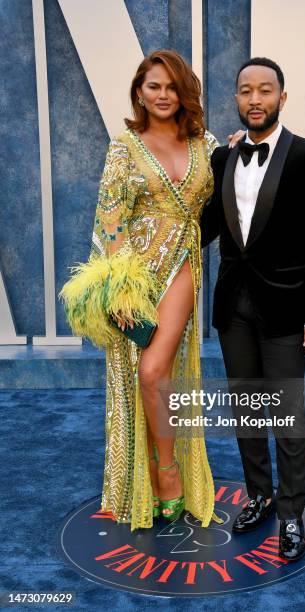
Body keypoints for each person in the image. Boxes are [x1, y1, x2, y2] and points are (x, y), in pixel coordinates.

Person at [60, 49, 236, 530]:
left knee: (155, 372)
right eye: (153, 86)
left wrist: (238, 152)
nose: (163, 95)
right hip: (133, 277)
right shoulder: (124, 145)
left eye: (172, 87)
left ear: (185, 93)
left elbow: (228, 196)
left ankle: (168, 469)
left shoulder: (206, 144)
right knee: (135, 373)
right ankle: (141, 477)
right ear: (139, 90)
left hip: (181, 265)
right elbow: (110, 218)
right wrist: (117, 291)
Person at [200, 57, 305, 561]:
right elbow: (210, 226)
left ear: (282, 98)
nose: (254, 99)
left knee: (287, 416)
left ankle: (291, 515)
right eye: (244, 91)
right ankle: (258, 495)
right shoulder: (223, 157)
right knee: (248, 410)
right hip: (233, 308)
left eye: (264, 90)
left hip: (286, 310)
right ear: (236, 99)